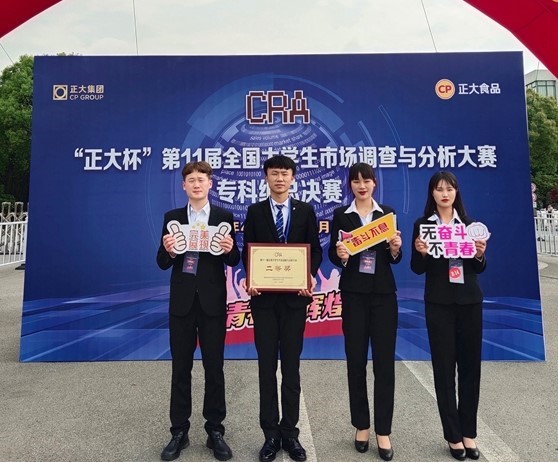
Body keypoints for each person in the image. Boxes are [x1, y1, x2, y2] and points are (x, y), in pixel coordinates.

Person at [157, 161, 240, 462]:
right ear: (184, 186)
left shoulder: (223, 217)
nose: (196, 184)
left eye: (201, 179)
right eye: (190, 180)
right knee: (181, 368)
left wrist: (230, 249)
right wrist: (169, 250)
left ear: (210, 184)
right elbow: (162, 262)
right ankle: (179, 431)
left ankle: (215, 430)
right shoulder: (173, 218)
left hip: (212, 303)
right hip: (181, 303)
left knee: (214, 368)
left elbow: (233, 259)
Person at [242, 154, 322, 462]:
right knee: (266, 368)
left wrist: (309, 275)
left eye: (285, 173)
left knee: (291, 367)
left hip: (294, 301)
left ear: (292, 178)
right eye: (274, 173)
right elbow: (248, 250)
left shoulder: (306, 210)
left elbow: (315, 249)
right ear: (266, 177)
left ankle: (290, 433)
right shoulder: (255, 211)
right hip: (263, 300)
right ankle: (270, 435)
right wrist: (251, 277)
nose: (279, 178)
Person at [328, 162, 401, 462]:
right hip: (354, 294)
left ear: (374, 183)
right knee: (355, 361)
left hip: (383, 296)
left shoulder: (387, 214)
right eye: (356, 181)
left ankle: (383, 430)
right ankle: (362, 425)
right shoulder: (341, 215)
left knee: (384, 364)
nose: (361, 186)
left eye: (366, 180)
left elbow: (394, 258)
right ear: (350, 185)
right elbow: (334, 254)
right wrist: (341, 255)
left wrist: (395, 248)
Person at [411, 171, 487, 461]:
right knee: (444, 370)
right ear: (432, 193)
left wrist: (479, 253)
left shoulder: (470, 225)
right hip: (439, 303)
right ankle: (453, 436)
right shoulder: (423, 226)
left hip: (469, 302)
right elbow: (417, 268)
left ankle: (469, 433)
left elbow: (479, 267)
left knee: (470, 369)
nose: (444, 194)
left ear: (456, 192)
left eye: (449, 189)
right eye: (439, 189)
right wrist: (421, 252)